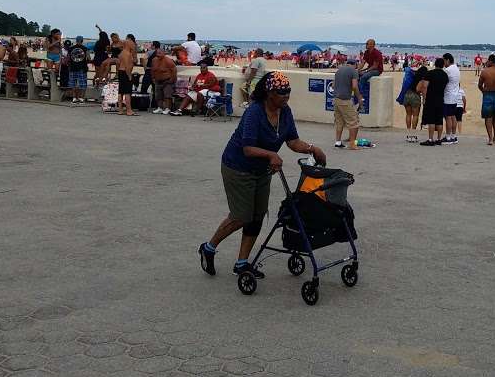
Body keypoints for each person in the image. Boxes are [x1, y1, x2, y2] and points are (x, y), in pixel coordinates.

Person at [197, 71, 326, 279]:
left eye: (288, 91)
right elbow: (248, 148)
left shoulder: (285, 112)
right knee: (241, 216)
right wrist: (271, 155)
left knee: (257, 216)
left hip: (262, 170)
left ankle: (242, 263)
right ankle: (209, 247)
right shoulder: (255, 112)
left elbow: (292, 141)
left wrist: (312, 148)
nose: (286, 95)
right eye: (281, 92)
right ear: (269, 93)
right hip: (238, 167)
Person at [332, 58, 363, 149]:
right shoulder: (353, 71)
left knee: (339, 121)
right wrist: (359, 97)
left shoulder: (339, 70)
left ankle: (338, 142)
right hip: (345, 99)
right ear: (355, 64)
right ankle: (352, 144)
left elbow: (333, 85)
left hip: (336, 99)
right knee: (354, 121)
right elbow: (354, 86)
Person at [418, 58, 448, 146]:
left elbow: (424, 86)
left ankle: (430, 139)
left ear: (435, 64)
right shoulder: (445, 75)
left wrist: (424, 98)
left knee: (431, 120)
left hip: (431, 99)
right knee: (439, 120)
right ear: (443, 65)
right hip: (440, 99)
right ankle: (439, 139)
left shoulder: (430, 73)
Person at [398, 62, 427, 143]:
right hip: (415, 96)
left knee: (408, 115)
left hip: (407, 95)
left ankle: (408, 134)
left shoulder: (413, 76)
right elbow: (418, 89)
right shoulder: (421, 79)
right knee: (415, 115)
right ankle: (413, 135)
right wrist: (422, 93)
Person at [149, 47, 177, 115]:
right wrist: (153, 78)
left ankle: (167, 108)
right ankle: (159, 108)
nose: (158, 54)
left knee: (167, 95)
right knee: (158, 96)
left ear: (164, 53)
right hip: (158, 80)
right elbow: (152, 69)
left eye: (160, 53)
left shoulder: (168, 61)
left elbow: (174, 70)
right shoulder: (154, 60)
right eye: (157, 53)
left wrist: (172, 80)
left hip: (167, 80)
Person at [115, 33, 138, 116]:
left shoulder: (121, 53)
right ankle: (129, 110)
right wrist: (129, 75)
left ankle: (120, 109)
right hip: (125, 72)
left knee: (120, 92)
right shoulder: (127, 54)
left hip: (121, 72)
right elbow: (127, 66)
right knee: (127, 92)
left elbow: (118, 64)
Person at [442, 53, 462, 144]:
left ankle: (448, 137)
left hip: (448, 96)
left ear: (448, 60)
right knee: (453, 116)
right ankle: (453, 136)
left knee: (448, 117)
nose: (443, 63)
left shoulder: (447, 70)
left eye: (444, 60)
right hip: (455, 95)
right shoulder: (457, 69)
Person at [67, 36, 90, 103]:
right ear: (82, 41)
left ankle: (74, 98)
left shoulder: (71, 48)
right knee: (83, 84)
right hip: (82, 68)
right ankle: (81, 98)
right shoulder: (85, 49)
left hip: (73, 68)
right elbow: (89, 58)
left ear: (76, 41)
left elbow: (68, 58)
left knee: (73, 83)